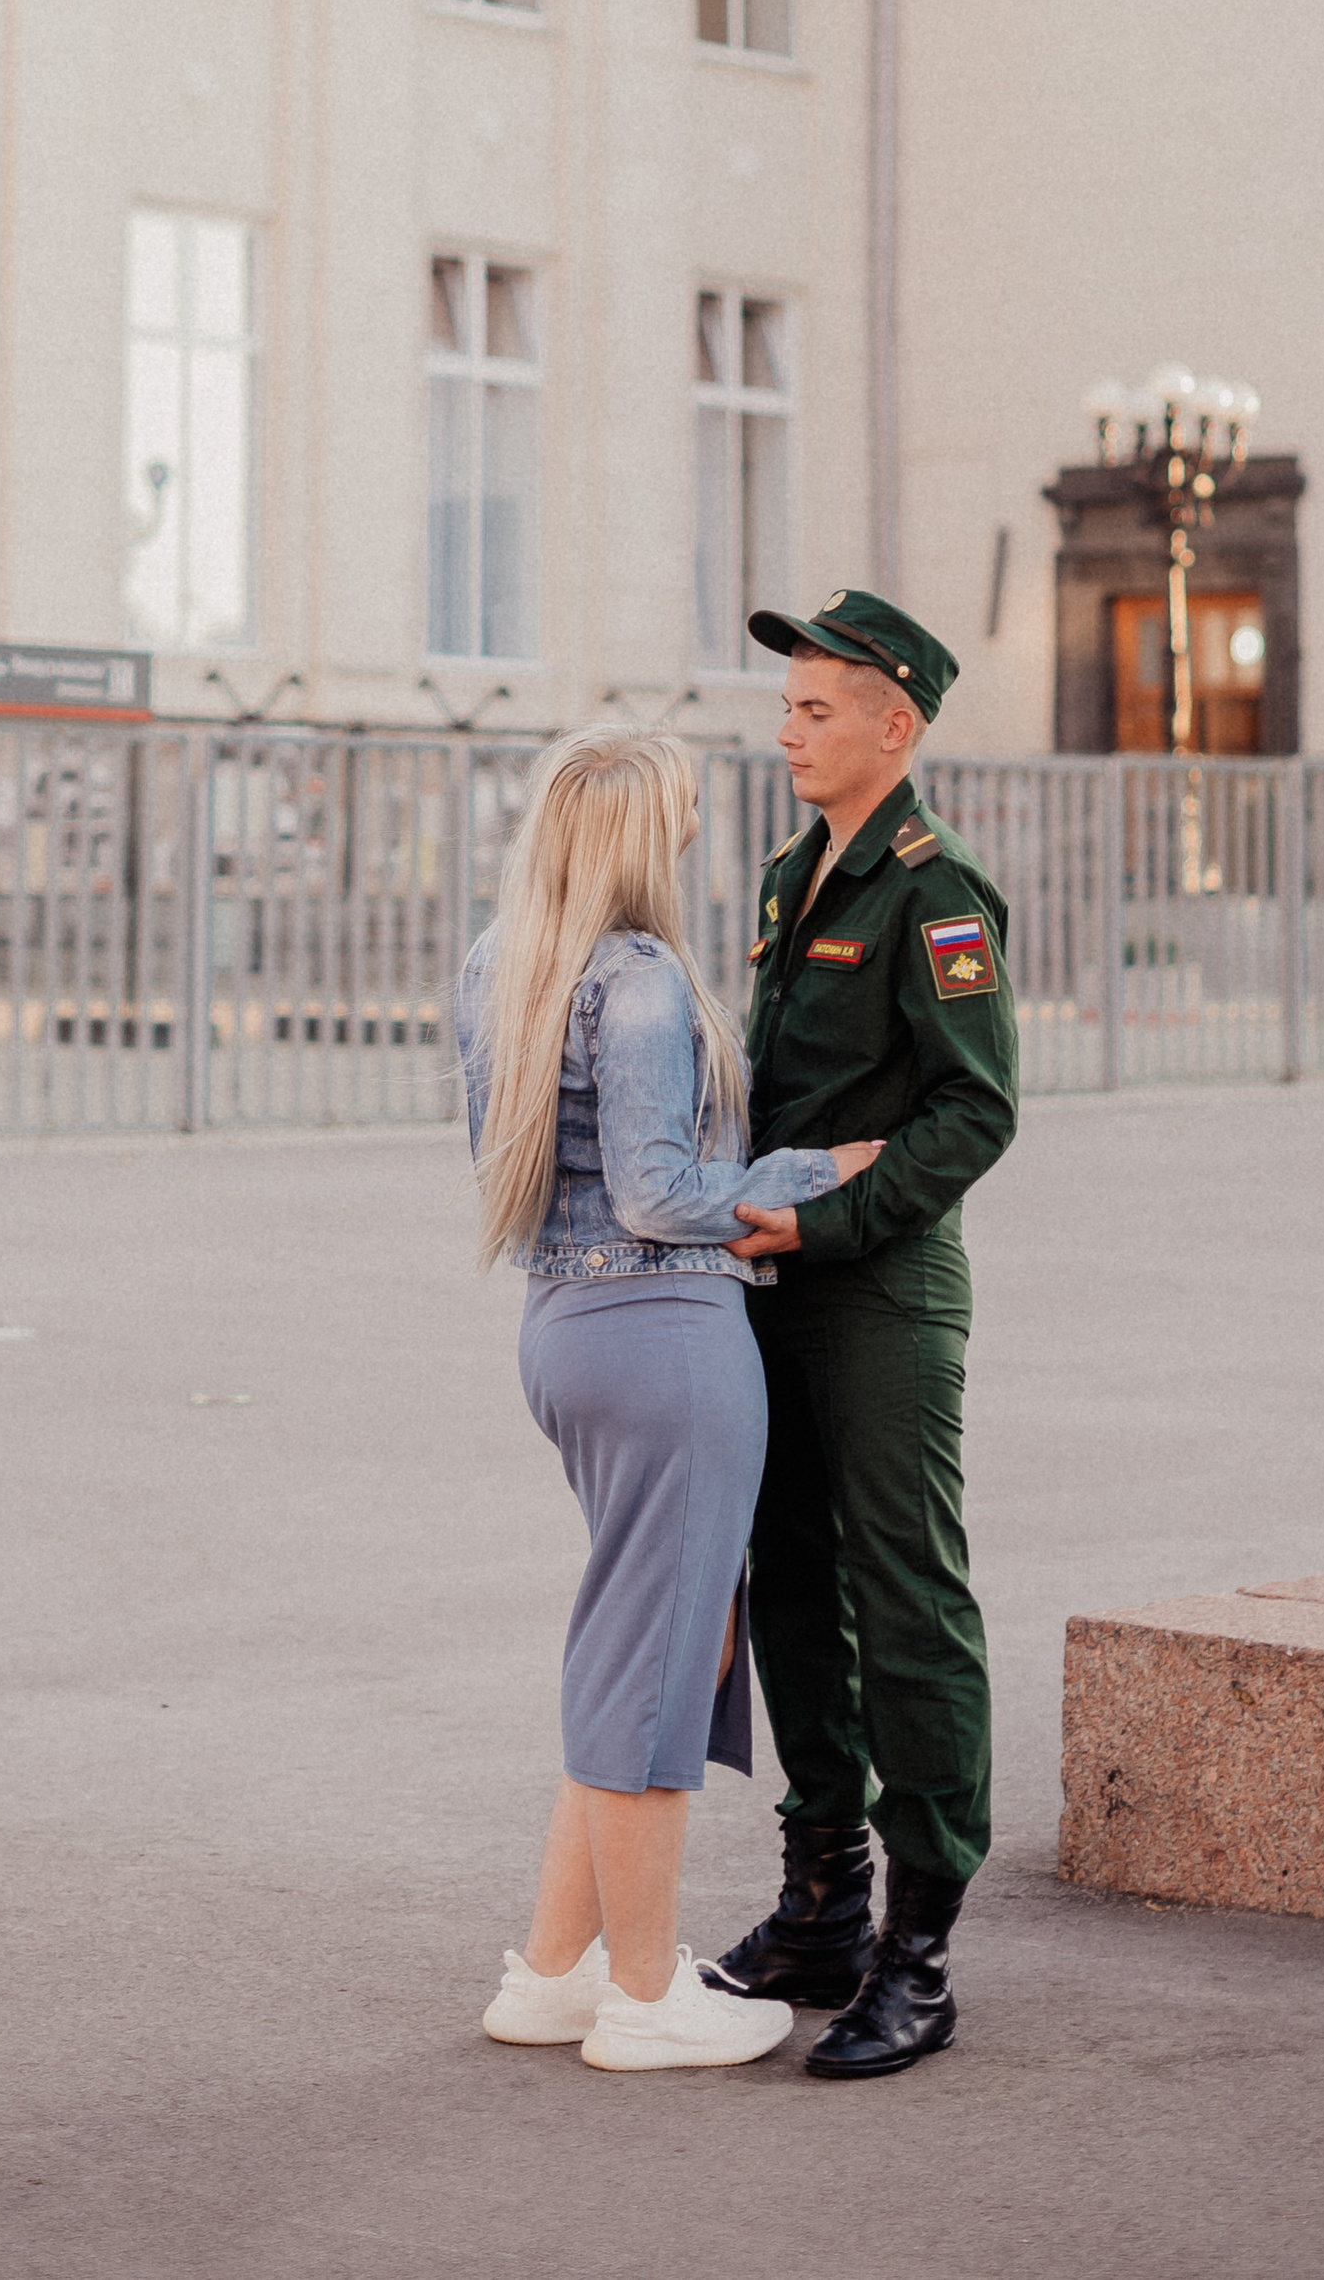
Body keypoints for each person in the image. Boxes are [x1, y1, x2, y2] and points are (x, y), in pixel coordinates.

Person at [454, 724, 884, 2074]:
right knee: (661, 1649)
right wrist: (816, 1170)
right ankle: (646, 1994)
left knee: (643, 1639)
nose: (702, 825)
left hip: (565, 1327)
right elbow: (654, 1193)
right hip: (664, 1332)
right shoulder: (637, 978)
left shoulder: (498, 964)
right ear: (644, 832)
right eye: (688, 806)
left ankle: (556, 1967)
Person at [702, 590, 1019, 2081]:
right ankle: (821, 1899)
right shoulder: (789, 873)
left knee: (905, 1592)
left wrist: (829, 1216)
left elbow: (976, 1112)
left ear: (897, 720)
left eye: (815, 707)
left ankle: (923, 1940)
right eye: (786, 708)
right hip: (775, 1284)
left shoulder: (932, 888)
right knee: (791, 1585)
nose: (789, 730)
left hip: (882, 1291)